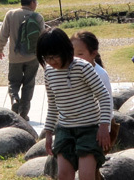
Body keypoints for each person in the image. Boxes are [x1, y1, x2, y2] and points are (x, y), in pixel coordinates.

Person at [38, 28, 111, 180]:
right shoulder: (49, 72)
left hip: (89, 129)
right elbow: (53, 105)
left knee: (86, 175)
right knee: (63, 174)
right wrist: (49, 132)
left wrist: (104, 126)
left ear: (65, 49)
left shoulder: (83, 67)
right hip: (64, 129)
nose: (51, 62)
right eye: (46, 58)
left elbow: (103, 96)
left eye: (54, 56)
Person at [0, 0, 45, 120]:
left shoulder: (11, 14)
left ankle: (14, 99)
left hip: (15, 57)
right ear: (32, 3)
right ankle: (24, 114)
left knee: (13, 82)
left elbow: (3, 34)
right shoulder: (37, 17)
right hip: (32, 57)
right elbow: (43, 38)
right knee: (29, 84)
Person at [70, 31, 113, 124]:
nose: (74, 58)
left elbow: (107, 103)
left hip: (94, 127)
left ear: (93, 53)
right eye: (71, 53)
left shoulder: (100, 74)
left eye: (80, 54)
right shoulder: (69, 72)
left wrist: (105, 128)